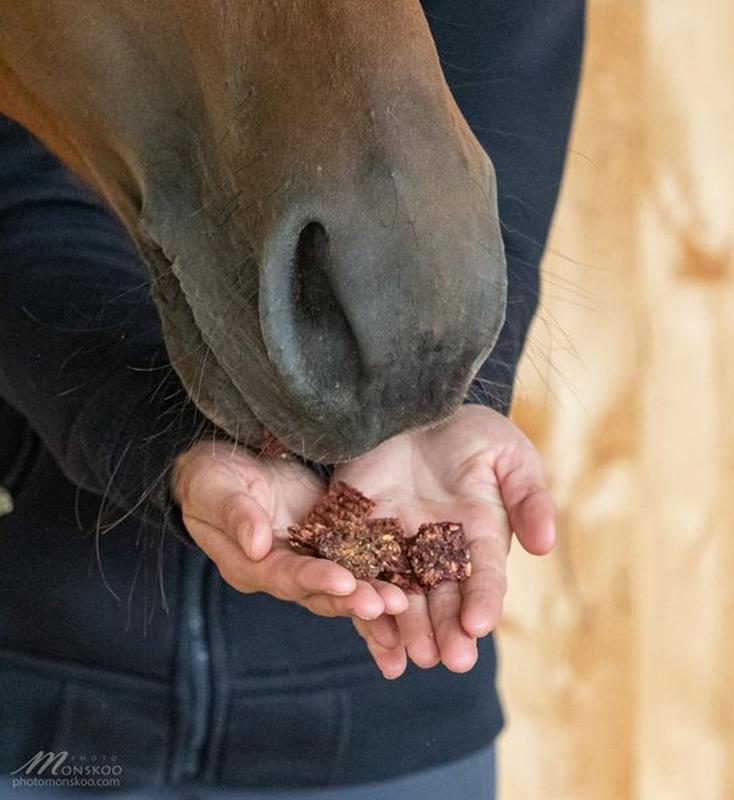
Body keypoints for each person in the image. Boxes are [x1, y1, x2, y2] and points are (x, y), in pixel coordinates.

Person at [0, 3, 584, 797]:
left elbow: (505, 93)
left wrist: (445, 397)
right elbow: (22, 178)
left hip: (387, 723)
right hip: (38, 700)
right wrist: (159, 442)